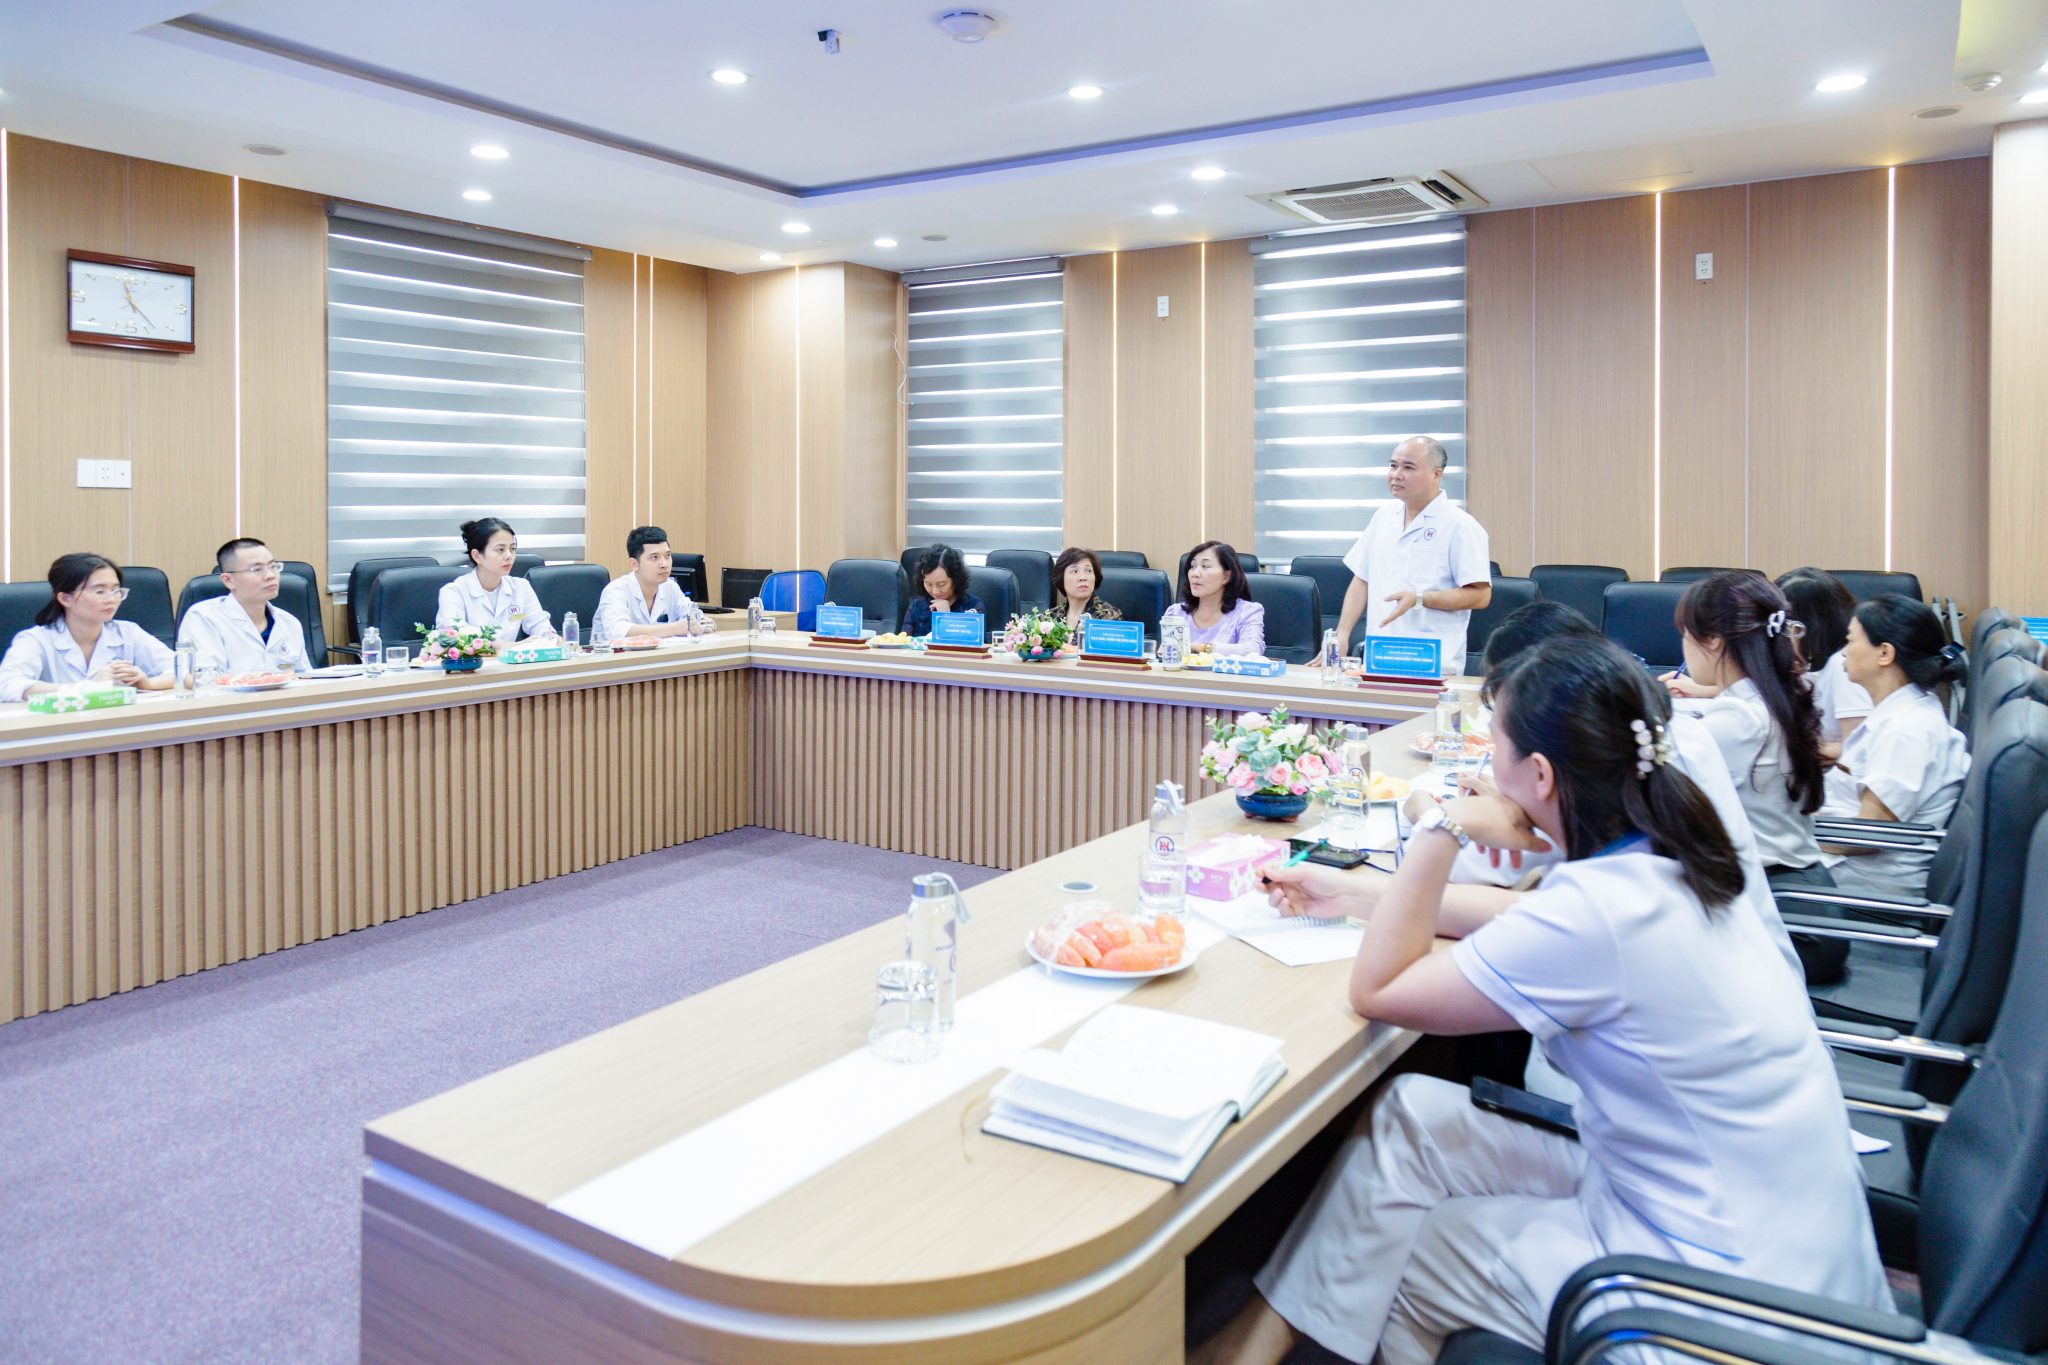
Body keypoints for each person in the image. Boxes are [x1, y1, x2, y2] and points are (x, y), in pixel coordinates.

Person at [1194, 636, 1889, 1365]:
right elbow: (1534, 923)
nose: (1485, 768)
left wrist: (1442, 825)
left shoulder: (1599, 909)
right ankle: (1253, 1346)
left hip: (1726, 1298)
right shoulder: (1672, 850)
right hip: (1783, 1234)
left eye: (1493, 746)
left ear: (1541, 774)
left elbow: (1380, 989)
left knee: (1412, 1253)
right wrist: (1354, 893)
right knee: (1412, 1116)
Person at [1668, 571, 1831, 893]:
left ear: (1712, 639)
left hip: (1779, 898)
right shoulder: (1773, 699)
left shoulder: (1738, 720)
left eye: (1685, 634)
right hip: (1798, 882)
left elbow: (1657, 786)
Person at [1820, 595, 1970, 899]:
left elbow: (1868, 835)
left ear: (1885, 653)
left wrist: (1792, 837)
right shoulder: (1904, 711)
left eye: (1850, 640)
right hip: (1842, 865)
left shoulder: (1906, 731)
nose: (1844, 652)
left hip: (1857, 885)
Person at [1333, 436, 1491, 675]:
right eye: (1393, 465)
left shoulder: (1460, 526)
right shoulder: (1383, 517)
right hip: (1380, 656)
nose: (1396, 474)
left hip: (1431, 662)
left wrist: (1420, 598)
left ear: (1436, 475)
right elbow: (1362, 578)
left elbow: (1481, 596)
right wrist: (1342, 634)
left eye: (1408, 467)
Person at [0, 554, 175, 701]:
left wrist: (148, 683)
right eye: (100, 591)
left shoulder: (128, 632)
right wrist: (86, 688)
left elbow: (182, 668)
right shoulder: (36, 640)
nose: (111, 599)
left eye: (116, 591)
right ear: (65, 598)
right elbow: (7, 685)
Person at [176, 538, 313, 676]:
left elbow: (304, 677)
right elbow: (204, 679)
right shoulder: (203, 618)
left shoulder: (289, 623)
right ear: (228, 580)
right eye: (257, 569)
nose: (271, 576)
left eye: (273, 567)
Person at [1777, 568, 1871, 755]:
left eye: (1787, 624)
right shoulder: (1810, 661)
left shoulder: (1844, 666)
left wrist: (1794, 753)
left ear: (1812, 625)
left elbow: (1859, 748)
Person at [436, 518, 554, 641]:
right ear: (477, 556)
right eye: (500, 550)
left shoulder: (521, 587)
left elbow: (540, 625)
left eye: (512, 549)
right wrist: (512, 646)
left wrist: (550, 637)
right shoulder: (453, 592)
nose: (509, 556)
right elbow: (454, 634)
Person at [595, 526, 708, 642]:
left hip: (662, 652)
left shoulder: (671, 587)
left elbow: (693, 617)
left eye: (668, 556)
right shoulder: (616, 590)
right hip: (615, 653)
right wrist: (674, 628)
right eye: (654, 557)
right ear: (634, 564)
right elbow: (618, 632)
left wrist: (700, 623)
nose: (664, 564)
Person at [1160, 541, 1265, 657]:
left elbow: (1253, 650)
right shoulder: (1176, 613)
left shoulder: (1247, 612)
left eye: (1205, 566)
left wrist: (1201, 648)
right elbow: (1165, 654)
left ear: (1226, 576)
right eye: (1192, 566)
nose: (1195, 573)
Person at [901, 544, 983, 636]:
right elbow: (903, 641)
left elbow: (977, 643)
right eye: (928, 584)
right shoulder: (916, 607)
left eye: (941, 584)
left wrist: (946, 618)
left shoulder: (972, 607)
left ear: (956, 580)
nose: (935, 591)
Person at [1051, 547, 1122, 639]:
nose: (1083, 577)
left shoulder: (1109, 618)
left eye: (1088, 571)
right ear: (1061, 578)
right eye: (1075, 571)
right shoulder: (1050, 618)